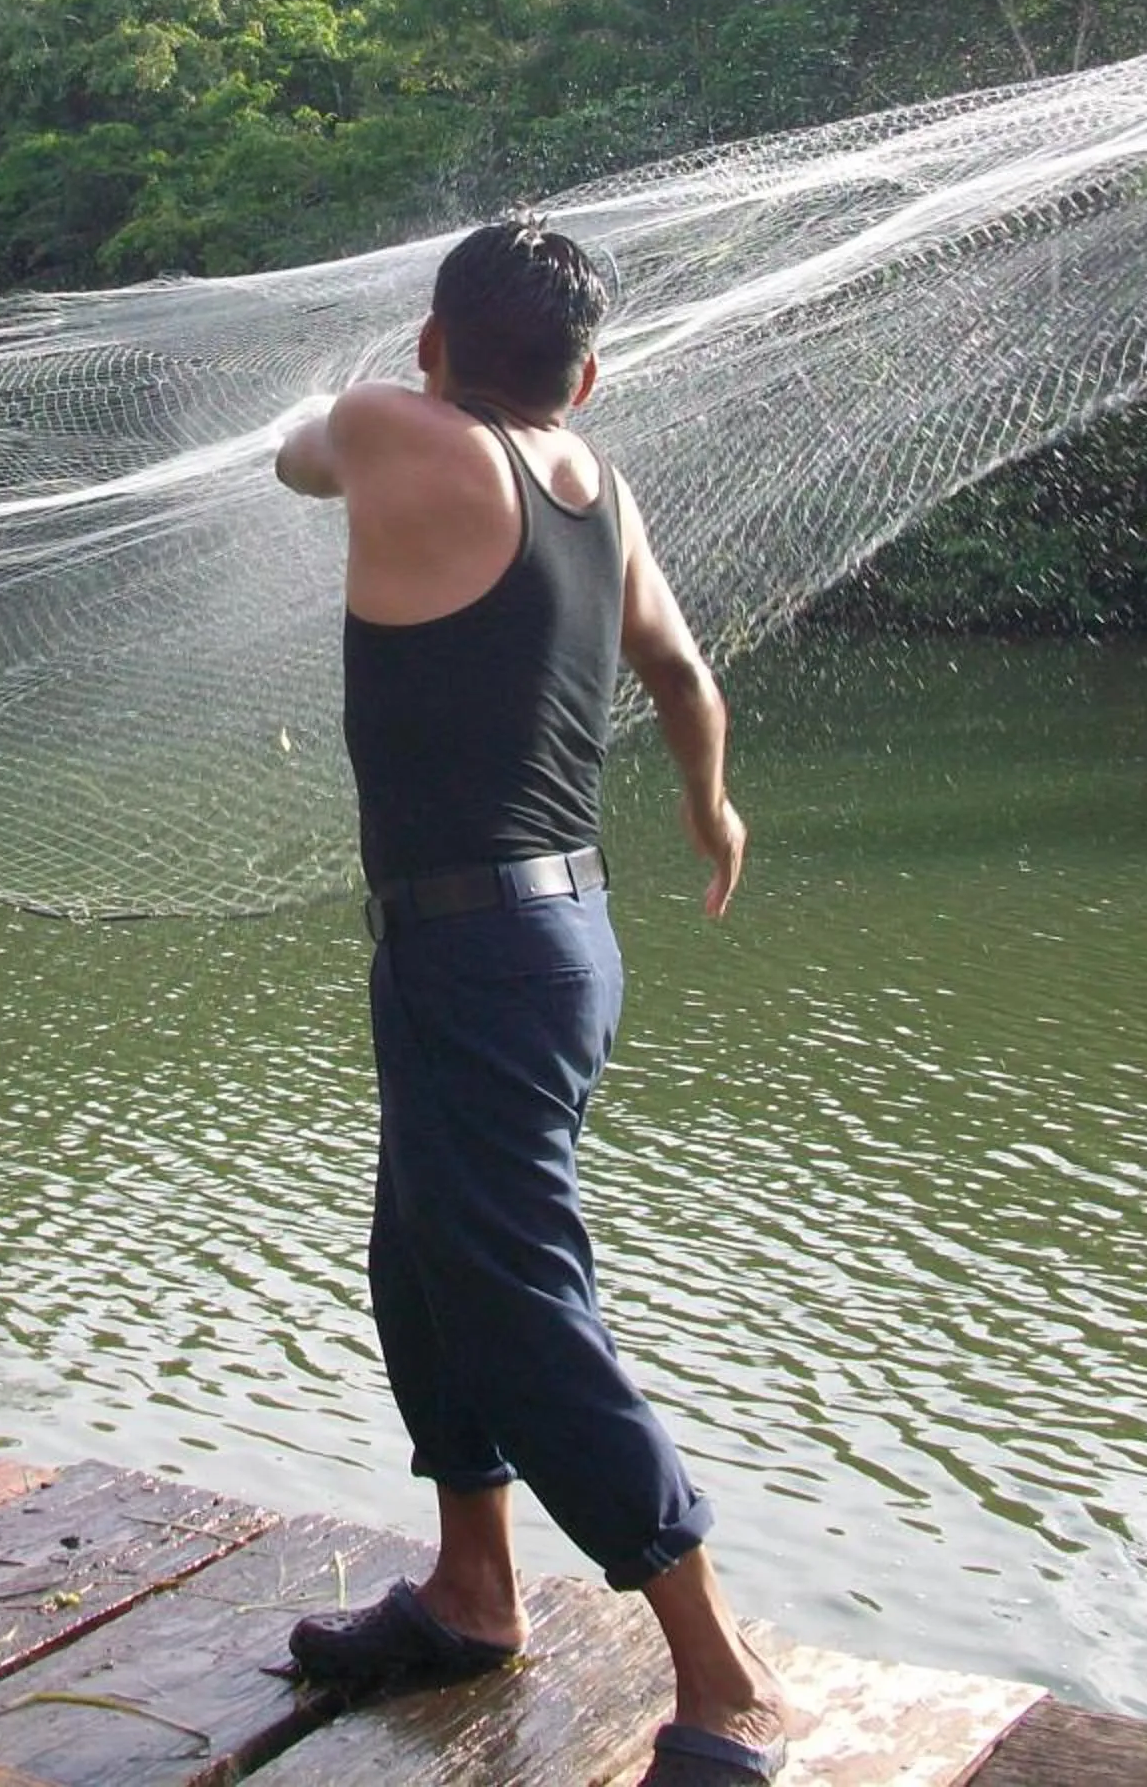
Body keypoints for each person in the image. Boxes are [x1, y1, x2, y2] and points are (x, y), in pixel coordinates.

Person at [268, 219, 790, 1786]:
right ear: (587, 370)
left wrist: (361, 405)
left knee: (515, 1293)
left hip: (479, 953)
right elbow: (687, 680)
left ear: (435, 347)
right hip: (547, 941)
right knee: (420, 1257)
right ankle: (472, 1587)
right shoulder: (600, 488)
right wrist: (715, 811)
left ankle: (722, 1675)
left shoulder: (391, 430)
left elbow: (303, 458)